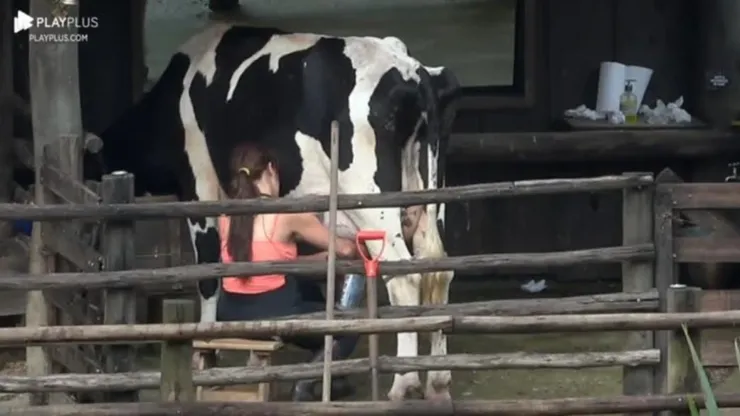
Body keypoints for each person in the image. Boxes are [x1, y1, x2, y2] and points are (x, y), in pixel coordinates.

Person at [216, 142, 367, 401]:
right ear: (271, 170)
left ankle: (336, 378)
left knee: (312, 296)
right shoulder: (285, 213)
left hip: (230, 310)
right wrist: (357, 244)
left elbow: (271, 260)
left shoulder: (225, 215)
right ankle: (306, 383)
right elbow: (343, 250)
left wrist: (317, 258)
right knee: (350, 325)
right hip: (275, 312)